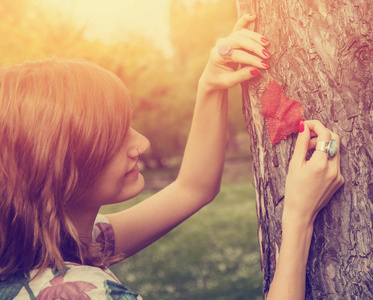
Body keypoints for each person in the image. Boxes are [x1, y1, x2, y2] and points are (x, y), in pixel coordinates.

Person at [0, 14, 343, 299]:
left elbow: (193, 189)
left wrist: (210, 86)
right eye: (114, 137)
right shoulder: (83, 292)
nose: (142, 143)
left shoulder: (55, 242)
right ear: (61, 168)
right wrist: (298, 217)